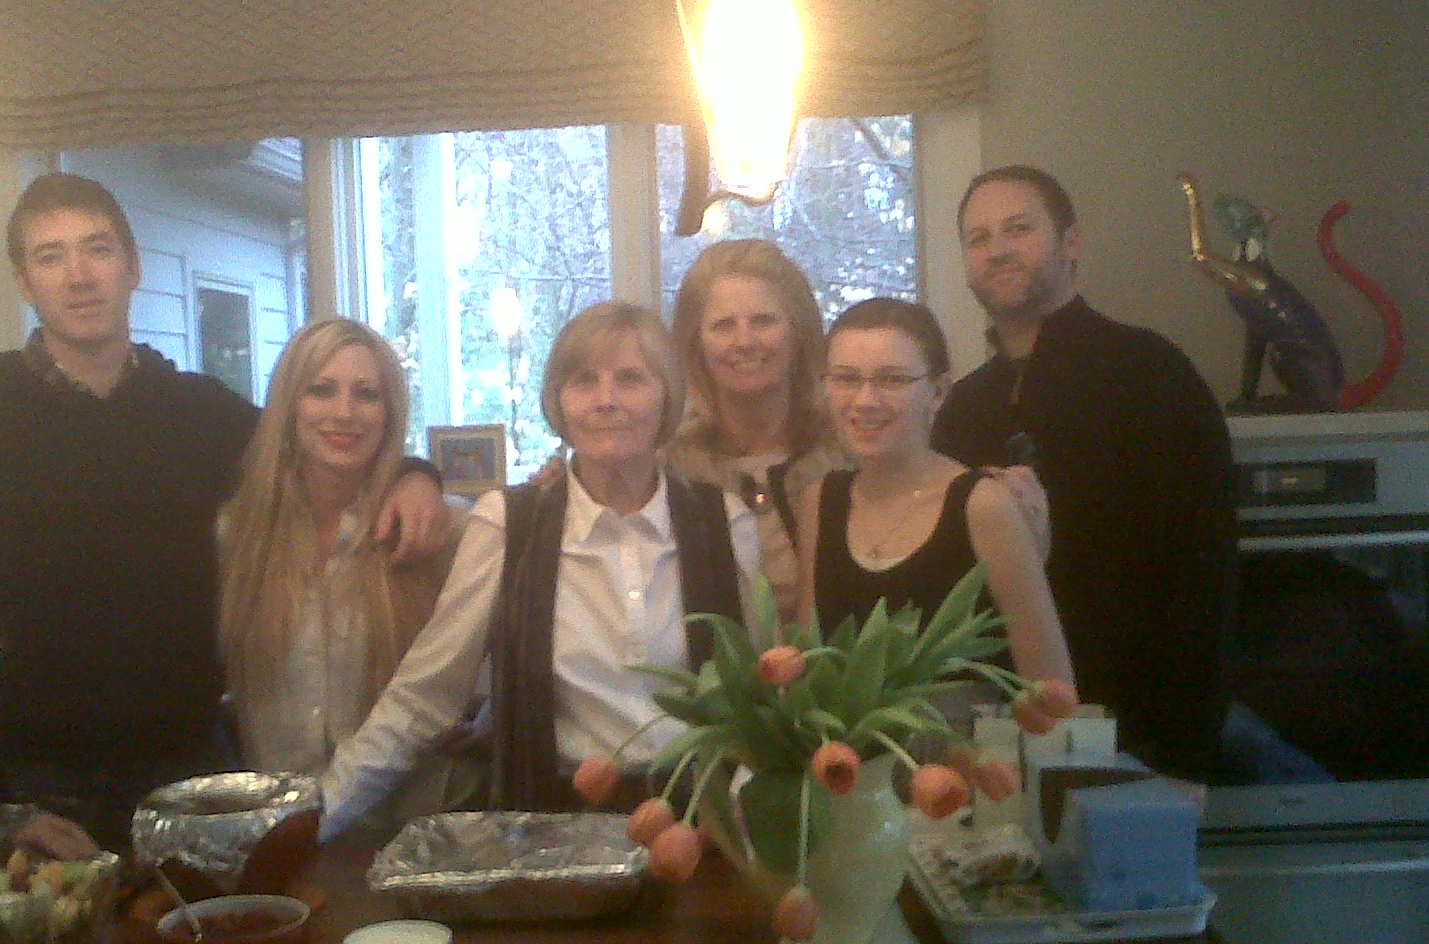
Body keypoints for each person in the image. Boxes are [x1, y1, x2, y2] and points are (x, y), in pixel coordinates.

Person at [0, 173, 449, 847]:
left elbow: (320, 447)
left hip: (198, 777)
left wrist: (414, 476)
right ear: (23, 282)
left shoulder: (200, 413)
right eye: (50, 256)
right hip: (45, 786)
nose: (79, 275)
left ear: (133, 268)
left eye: (97, 249)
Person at [320, 300, 762, 839]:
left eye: (630, 379)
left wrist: (748, 819)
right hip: (552, 831)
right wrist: (317, 817)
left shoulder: (725, 523)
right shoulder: (508, 525)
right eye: (584, 381)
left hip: (702, 832)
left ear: (667, 398)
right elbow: (425, 695)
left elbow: (760, 699)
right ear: (558, 401)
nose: (605, 400)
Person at [931, 165, 1236, 780]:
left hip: (1142, 735)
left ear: (1070, 243)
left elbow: (1206, 573)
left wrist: (1186, 755)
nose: (997, 249)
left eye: (1019, 229)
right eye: (978, 238)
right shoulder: (961, 409)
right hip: (996, 741)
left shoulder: (1153, 376)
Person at [217, 317, 481, 834]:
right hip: (280, 839)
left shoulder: (442, 530)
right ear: (289, 405)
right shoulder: (236, 535)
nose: (344, 412)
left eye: (366, 394)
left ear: (389, 412)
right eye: (321, 390)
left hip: (420, 833)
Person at [798, 299, 1072, 705]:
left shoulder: (983, 506)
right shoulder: (821, 500)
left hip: (964, 743)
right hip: (842, 745)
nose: (865, 400)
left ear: (938, 392)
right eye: (846, 378)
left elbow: (1052, 691)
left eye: (892, 380)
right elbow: (805, 666)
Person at [667, 240, 842, 616]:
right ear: (696, 344)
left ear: (798, 332)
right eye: (723, 325)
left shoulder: (847, 455)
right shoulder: (666, 470)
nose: (744, 341)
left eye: (763, 321)